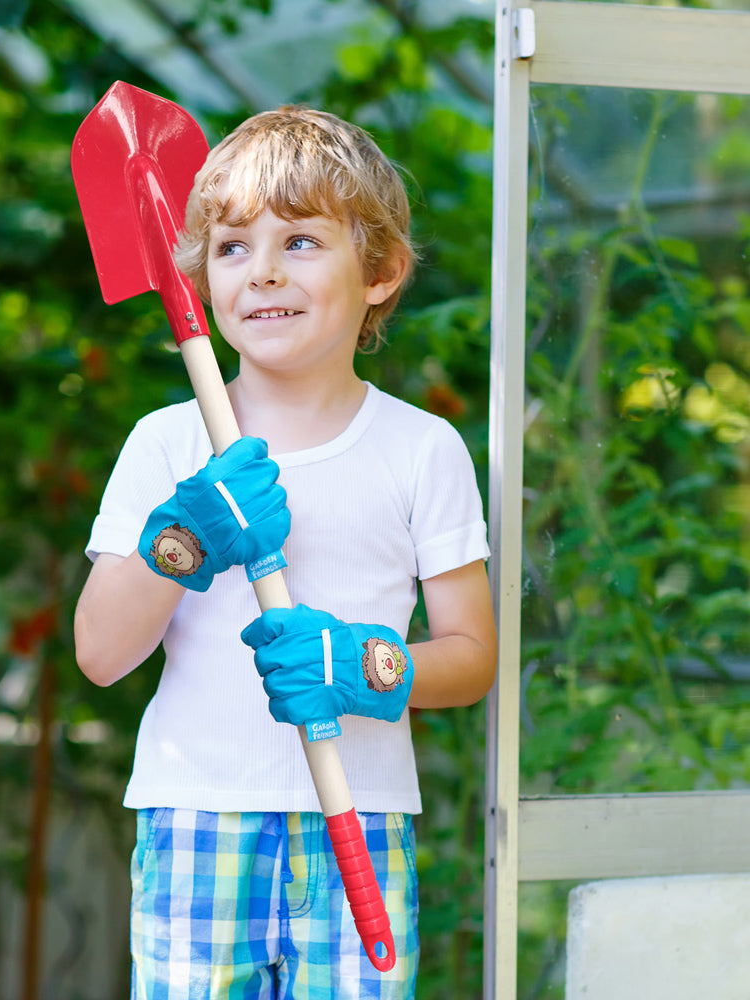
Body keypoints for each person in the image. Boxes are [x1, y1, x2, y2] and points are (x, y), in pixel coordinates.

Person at [74, 104, 497, 1000]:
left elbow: (472, 659)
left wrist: (365, 665)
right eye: (231, 248)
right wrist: (183, 544)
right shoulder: (168, 442)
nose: (261, 270)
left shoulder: (423, 448)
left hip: (363, 820)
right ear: (199, 277)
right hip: (196, 815)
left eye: (300, 241)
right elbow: (103, 655)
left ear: (380, 270)